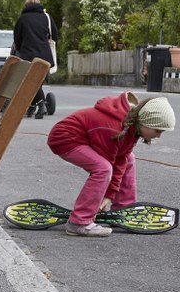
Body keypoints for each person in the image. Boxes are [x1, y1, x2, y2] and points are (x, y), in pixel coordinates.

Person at [46, 92, 173, 236]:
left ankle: (123, 210)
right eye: (158, 130)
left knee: (129, 158)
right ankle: (79, 221)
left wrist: (109, 195)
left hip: (85, 138)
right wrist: (106, 197)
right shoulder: (114, 128)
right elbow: (110, 163)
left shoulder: (132, 127)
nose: (159, 135)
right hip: (65, 139)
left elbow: (121, 158)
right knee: (103, 168)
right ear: (145, 122)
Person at [13, 0, 57, 119]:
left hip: (29, 55)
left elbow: (17, 39)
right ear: (39, 4)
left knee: (30, 81)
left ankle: (41, 104)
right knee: (38, 81)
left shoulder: (22, 19)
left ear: (26, 5)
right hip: (45, 55)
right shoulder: (46, 17)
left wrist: (21, 50)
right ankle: (32, 106)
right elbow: (55, 35)